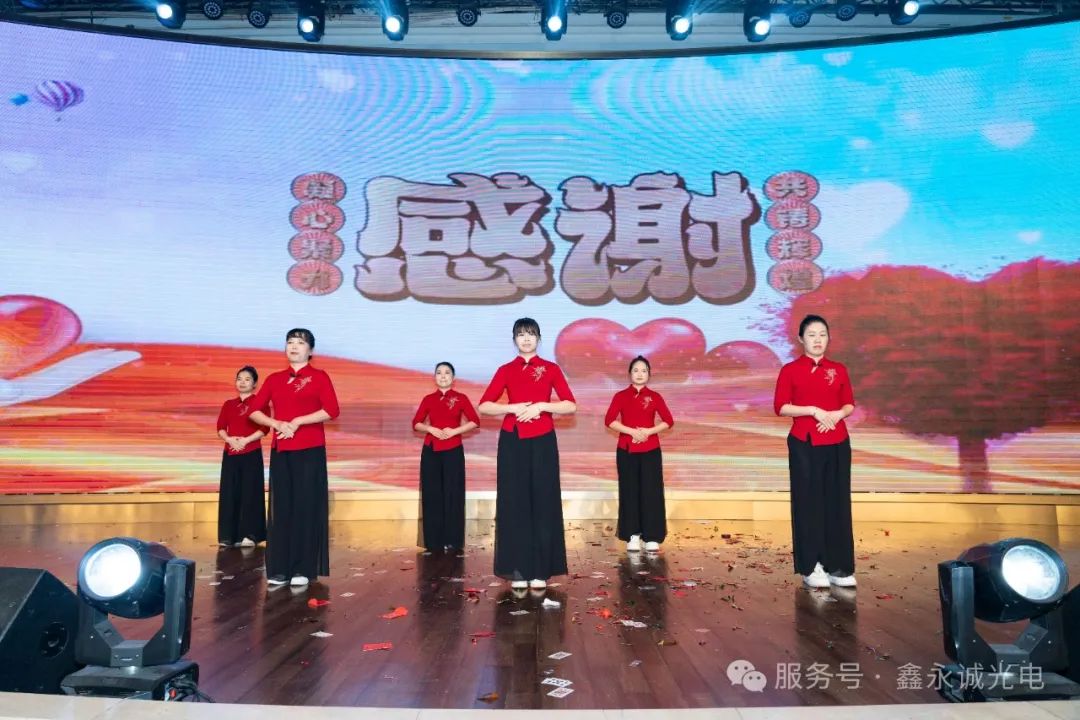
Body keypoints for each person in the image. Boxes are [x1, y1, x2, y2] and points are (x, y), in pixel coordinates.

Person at [478, 318, 576, 592]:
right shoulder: (506, 370)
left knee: (544, 501)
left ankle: (541, 570)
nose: (526, 338)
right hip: (513, 441)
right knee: (515, 503)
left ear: (538, 338)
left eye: (531, 334)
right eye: (521, 334)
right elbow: (484, 405)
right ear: (514, 340)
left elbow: (570, 405)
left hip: (543, 440)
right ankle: (518, 569)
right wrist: (512, 408)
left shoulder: (551, 368)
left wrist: (541, 407)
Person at [248, 328, 339, 588]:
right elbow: (254, 410)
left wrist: (299, 421)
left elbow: (332, 410)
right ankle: (280, 569)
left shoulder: (319, 377)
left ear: (310, 350)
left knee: (305, 508)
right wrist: (276, 423)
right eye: (290, 342)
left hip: (310, 450)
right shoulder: (275, 379)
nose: (294, 346)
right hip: (282, 450)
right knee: (282, 509)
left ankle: (303, 567)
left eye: (300, 342)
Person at [773, 314, 857, 589]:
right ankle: (812, 566)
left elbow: (848, 404)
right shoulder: (790, 370)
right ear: (801, 339)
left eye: (822, 334)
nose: (818, 339)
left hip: (837, 441)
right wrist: (813, 411)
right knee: (809, 504)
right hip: (804, 443)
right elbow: (781, 407)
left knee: (837, 503)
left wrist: (836, 415)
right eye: (811, 335)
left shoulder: (839, 369)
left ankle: (839, 566)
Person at [604, 355, 674, 554]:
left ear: (649, 374)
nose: (640, 374)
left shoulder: (655, 396)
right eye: (636, 370)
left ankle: (651, 536)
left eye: (644, 370)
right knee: (629, 491)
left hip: (651, 449)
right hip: (626, 449)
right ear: (629, 374)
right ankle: (632, 535)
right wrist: (632, 432)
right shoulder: (620, 396)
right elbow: (609, 420)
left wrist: (648, 432)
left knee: (651, 492)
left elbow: (668, 421)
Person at [412, 361, 479, 553]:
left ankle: (452, 541)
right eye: (439, 373)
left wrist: (454, 431)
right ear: (435, 377)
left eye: (447, 372)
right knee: (432, 494)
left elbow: (475, 421)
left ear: (453, 378)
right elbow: (416, 423)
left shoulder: (461, 398)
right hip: (431, 450)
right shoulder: (428, 399)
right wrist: (430, 428)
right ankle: (433, 541)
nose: (443, 376)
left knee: (452, 494)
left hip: (453, 449)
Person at [215, 366, 267, 548]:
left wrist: (246, 440)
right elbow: (220, 427)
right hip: (231, 452)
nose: (242, 382)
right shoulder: (229, 404)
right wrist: (229, 439)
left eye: (247, 379)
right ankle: (228, 536)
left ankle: (250, 535)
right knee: (230, 493)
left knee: (250, 494)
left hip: (251, 452)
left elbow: (264, 428)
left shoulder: (260, 403)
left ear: (254, 384)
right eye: (239, 379)